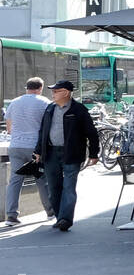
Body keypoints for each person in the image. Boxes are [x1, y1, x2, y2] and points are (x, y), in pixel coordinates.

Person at [33, 80, 99, 231]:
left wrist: (94, 154)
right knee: (53, 189)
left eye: (56, 91)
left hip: (72, 153)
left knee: (69, 187)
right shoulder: (50, 108)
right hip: (50, 153)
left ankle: (65, 219)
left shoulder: (78, 109)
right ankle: (59, 217)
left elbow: (91, 133)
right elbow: (43, 131)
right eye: (53, 91)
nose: (53, 94)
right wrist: (38, 151)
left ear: (66, 93)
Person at [5, 77, 53, 224]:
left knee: (15, 180)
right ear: (40, 88)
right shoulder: (44, 102)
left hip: (16, 146)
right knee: (41, 179)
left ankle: (11, 215)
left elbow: (9, 128)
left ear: (27, 87)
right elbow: (49, 126)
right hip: (35, 147)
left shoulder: (14, 102)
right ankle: (50, 211)